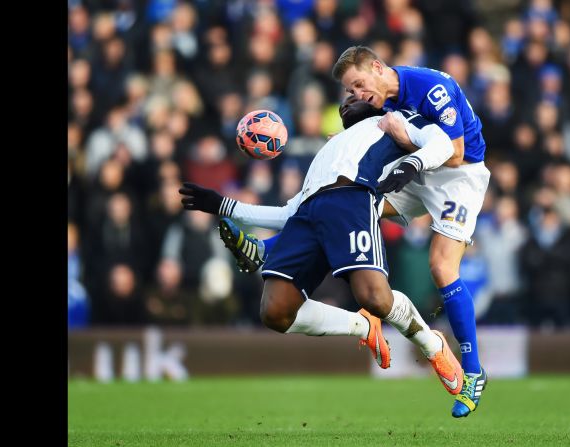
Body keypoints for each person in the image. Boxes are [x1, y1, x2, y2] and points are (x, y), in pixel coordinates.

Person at [180, 96, 464, 397]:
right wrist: (223, 205)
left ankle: (434, 347)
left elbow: (444, 144)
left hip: (353, 198)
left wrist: (413, 163)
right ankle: (363, 327)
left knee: (375, 298)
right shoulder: (327, 149)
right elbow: (289, 212)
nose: (349, 99)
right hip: (309, 212)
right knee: (275, 312)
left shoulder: (394, 121)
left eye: (357, 92)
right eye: (347, 94)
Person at [332, 46, 490, 417]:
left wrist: (400, 132)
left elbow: (454, 152)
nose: (356, 95)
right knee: (352, 205)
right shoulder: (379, 103)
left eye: (358, 85)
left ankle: (472, 372)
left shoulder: (431, 87)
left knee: (441, 268)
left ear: (376, 67)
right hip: (418, 172)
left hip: (459, 176)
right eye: (350, 92)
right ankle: (273, 248)